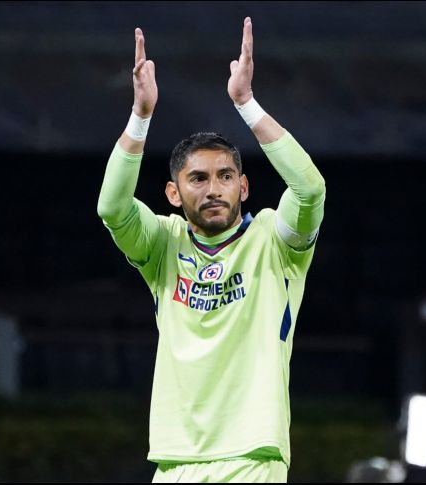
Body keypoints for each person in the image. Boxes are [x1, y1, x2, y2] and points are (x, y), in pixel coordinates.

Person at [96, 17, 326, 483]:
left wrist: (246, 103)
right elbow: (112, 207)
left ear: (243, 186)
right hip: (175, 459)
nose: (214, 189)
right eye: (198, 179)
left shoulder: (274, 240)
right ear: (174, 194)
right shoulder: (163, 244)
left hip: (252, 456)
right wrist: (141, 115)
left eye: (225, 177)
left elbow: (310, 189)